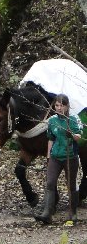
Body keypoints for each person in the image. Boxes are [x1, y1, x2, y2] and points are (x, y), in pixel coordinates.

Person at [35, 94, 82, 224]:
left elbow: (79, 136)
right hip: (56, 156)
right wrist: (48, 155)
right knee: (50, 183)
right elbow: (51, 138)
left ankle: (73, 212)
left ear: (67, 106)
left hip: (70, 156)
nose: (59, 108)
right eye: (57, 105)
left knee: (71, 184)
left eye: (62, 105)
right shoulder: (52, 120)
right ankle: (47, 213)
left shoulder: (73, 119)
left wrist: (72, 135)